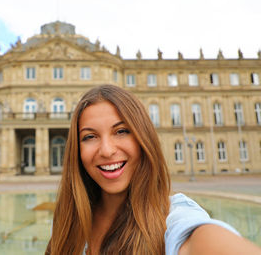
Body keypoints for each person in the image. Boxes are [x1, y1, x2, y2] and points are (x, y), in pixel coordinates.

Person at [46, 84, 261, 255]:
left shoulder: (172, 219)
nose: (107, 150)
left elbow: (205, 240)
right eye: (90, 136)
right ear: (76, 149)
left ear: (143, 138)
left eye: (121, 131)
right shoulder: (70, 223)